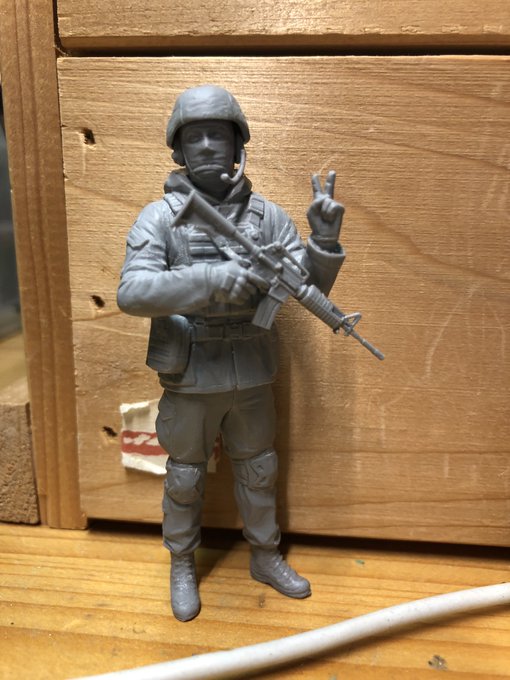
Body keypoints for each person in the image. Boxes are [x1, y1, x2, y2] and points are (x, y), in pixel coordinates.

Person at [117, 84, 345, 621]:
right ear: (178, 149)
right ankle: (182, 562)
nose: (206, 146)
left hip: (252, 371)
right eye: (194, 136)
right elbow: (132, 292)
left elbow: (304, 288)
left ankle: (265, 555)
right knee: (185, 476)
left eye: (217, 134)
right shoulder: (160, 218)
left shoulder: (268, 218)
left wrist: (323, 243)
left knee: (259, 470)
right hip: (192, 372)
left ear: (237, 144)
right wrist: (209, 280)